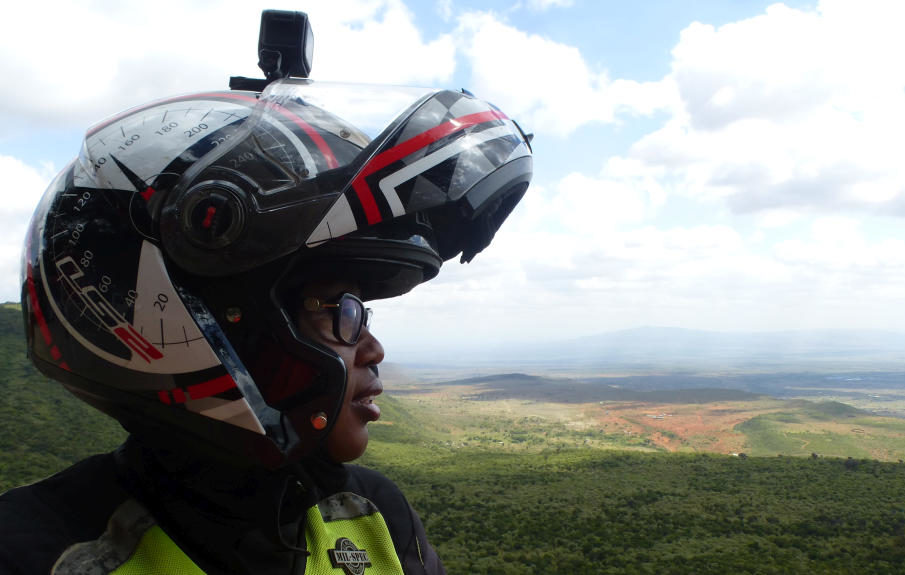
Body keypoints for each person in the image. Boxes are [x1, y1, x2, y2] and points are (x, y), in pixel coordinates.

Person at [0, 61, 532, 573]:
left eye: (362, 312)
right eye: (343, 313)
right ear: (219, 321)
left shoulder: (376, 515)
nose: (373, 350)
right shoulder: (33, 551)